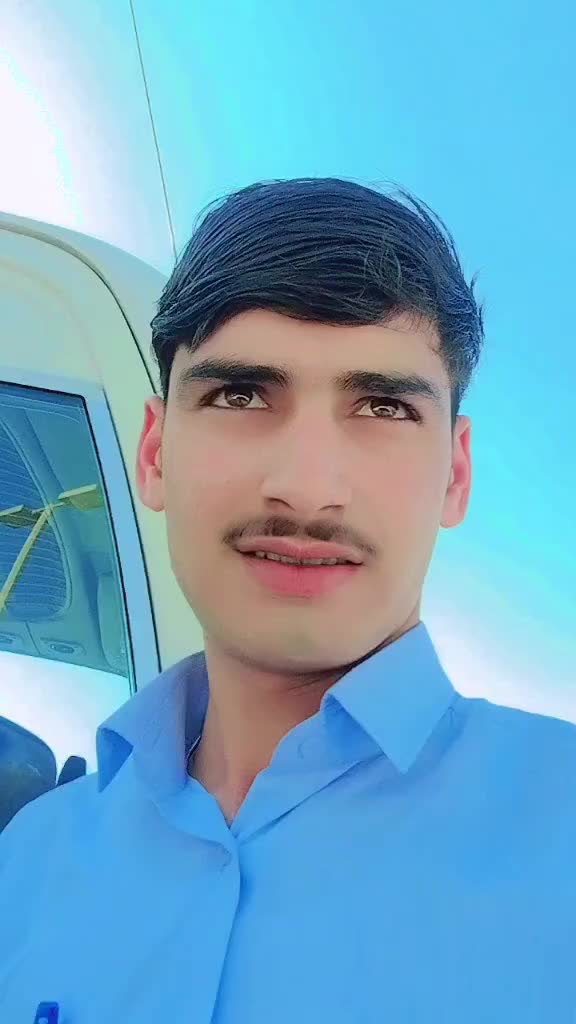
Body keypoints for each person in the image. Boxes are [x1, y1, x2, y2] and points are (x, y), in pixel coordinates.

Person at [1, 177, 574, 1023]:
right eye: (239, 395)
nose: (306, 488)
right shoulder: (26, 866)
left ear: (456, 474)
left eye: (383, 406)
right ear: (155, 454)